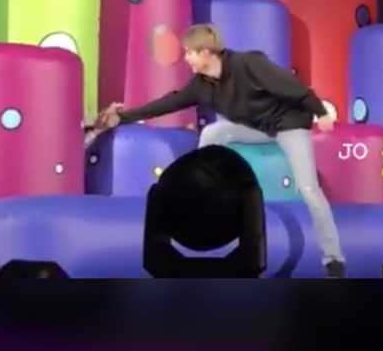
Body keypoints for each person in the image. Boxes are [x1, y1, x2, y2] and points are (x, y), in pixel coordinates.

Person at [91, 24, 346, 278]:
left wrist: (320, 111)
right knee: (213, 132)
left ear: (206, 52)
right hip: (257, 128)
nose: (186, 58)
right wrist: (123, 118)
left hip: (288, 124)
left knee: (308, 188)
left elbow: (292, 86)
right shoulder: (202, 85)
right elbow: (168, 103)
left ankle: (333, 258)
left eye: (190, 52)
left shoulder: (248, 64)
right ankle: (201, 191)